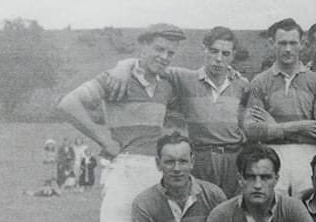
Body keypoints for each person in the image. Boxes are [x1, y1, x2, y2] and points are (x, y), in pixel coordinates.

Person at [57, 23, 185, 222]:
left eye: (170, 52)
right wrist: (103, 138)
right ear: (141, 47)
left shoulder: (168, 82)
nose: (164, 56)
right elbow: (68, 104)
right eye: (158, 49)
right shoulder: (116, 78)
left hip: (157, 174)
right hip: (124, 171)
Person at [103, 26, 251, 198]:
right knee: (198, 214)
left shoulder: (242, 84)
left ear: (233, 55)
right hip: (200, 159)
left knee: (233, 215)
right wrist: (122, 66)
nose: (218, 59)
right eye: (213, 51)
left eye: (225, 54)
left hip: (233, 158)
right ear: (204, 50)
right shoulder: (184, 78)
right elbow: (148, 65)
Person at [245, 18, 316, 195]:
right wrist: (302, 126)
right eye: (282, 43)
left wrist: (273, 128)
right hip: (272, 155)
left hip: (307, 156)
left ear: (302, 44)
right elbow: (252, 131)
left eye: (293, 43)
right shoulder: (260, 82)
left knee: (307, 207)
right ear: (272, 44)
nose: (287, 49)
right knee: (273, 208)